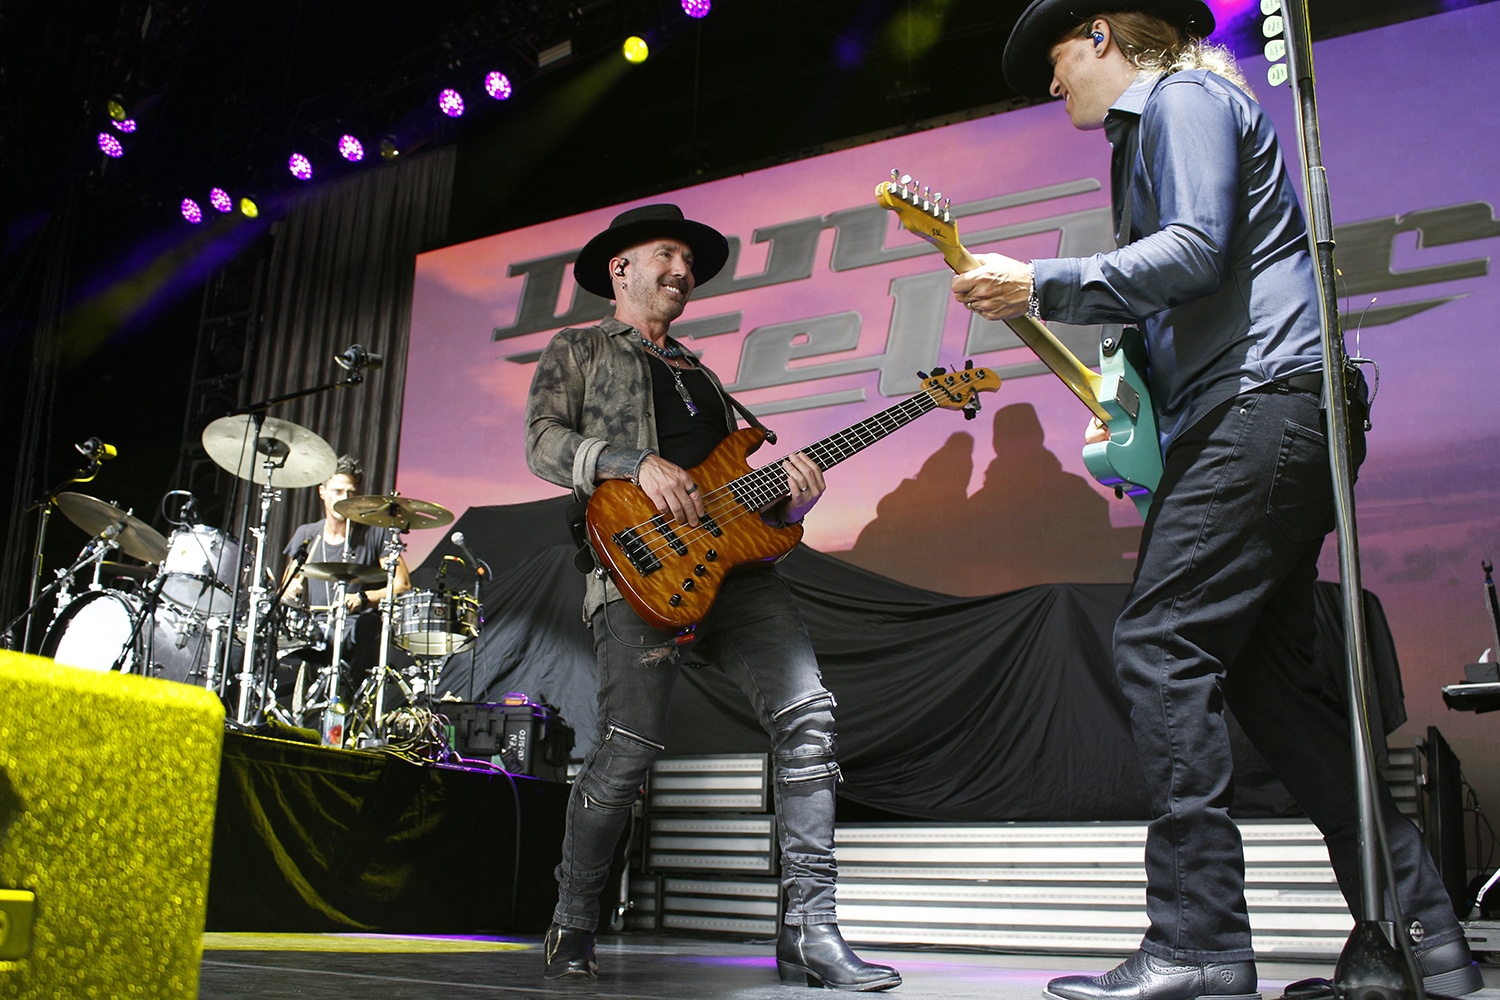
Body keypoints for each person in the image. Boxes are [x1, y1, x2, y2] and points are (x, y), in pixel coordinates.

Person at [951, 4, 1484, 1000]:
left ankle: (1199, 940)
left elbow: (1196, 249)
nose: (1051, 84)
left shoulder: (1183, 97)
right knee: (1274, 693)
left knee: (1160, 643)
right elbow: (1187, 300)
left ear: (1103, 34)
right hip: (1261, 415)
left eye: (1056, 59)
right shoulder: (1149, 133)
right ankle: (1423, 936)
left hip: (1261, 405)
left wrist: (1040, 282)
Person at [524, 203, 901, 991]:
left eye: (690, 263)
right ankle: (573, 920)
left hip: (739, 576)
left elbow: (740, 497)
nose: (683, 271)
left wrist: (790, 506)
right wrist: (632, 461)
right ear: (621, 268)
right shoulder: (581, 348)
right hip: (637, 569)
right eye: (667, 255)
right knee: (626, 749)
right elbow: (544, 444)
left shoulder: (703, 376)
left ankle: (811, 931)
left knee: (808, 720)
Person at [281, 455, 411, 704]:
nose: (343, 498)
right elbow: (288, 584)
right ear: (322, 492)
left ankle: (352, 705)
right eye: (337, 491)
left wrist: (364, 597)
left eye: (350, 492)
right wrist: (291, 589)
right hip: (312, 629)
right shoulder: (307, 534)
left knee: (370, 625)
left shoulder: (375, 533)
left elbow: (402, 584)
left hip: (354, 628)